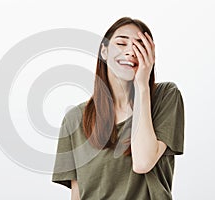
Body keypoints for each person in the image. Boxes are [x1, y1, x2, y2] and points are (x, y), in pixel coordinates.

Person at [52, 17, 184, 200]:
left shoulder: (165, 96)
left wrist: (142, 86)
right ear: (104, 52)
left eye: (140, 46)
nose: (130, 51)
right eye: (121, 43)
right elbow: (77, 194)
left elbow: (143, 162)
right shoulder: (75, 119)